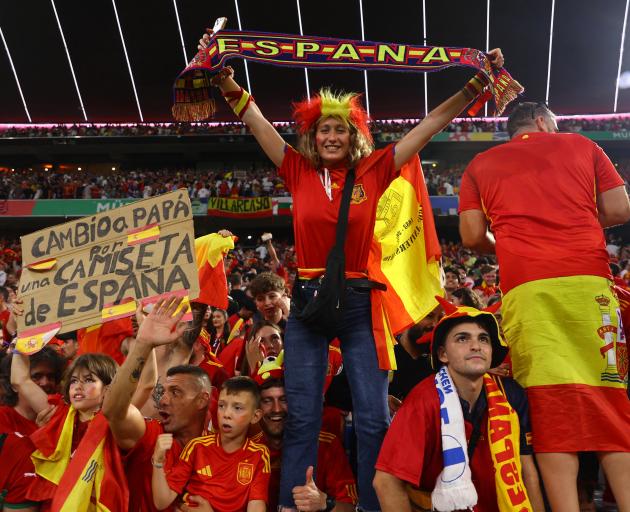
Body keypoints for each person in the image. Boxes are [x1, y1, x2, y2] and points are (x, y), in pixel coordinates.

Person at [200, 29, 505, 511]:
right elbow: (255, 120)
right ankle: (292, 504)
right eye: (324, 129)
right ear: (312, 135)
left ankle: (370, 505)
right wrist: (225, 82)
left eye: (341, 129)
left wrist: (474, 88)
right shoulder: (296, 168)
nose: (332, 136)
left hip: (361, 303)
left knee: (371, 417)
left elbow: (428, 126)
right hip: (306, 302)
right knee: (303, 415)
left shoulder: (376, 170)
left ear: (355, 136)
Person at [458, 101, 630, 511]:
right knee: (610, 403)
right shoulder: (583, 145)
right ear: (541, 120)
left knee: (550, 408)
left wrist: (511, 241)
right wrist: (578, 219)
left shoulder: (479, 164)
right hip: (588, 284)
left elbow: (470, 236)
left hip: (527, 288)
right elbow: (620, 209)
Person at [373, 301, 544, 512]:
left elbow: (526, 471)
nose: (475, 346)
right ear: (443, 354)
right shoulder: (423, 401)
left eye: (483, 339)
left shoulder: (511, 394)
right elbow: (386, 482)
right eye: (462, 338)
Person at [102, 296, 212, 512]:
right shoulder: (152, 436)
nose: (163, 399)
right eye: (165, 391)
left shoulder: (220, 434)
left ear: (203, 400)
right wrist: (143, 343)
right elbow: (114, 412)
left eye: (176, 393)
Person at [152, 376, 269, 511]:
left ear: (255, 416)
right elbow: (161, 502)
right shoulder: (197, 446)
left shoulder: (259, 454)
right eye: (221, 406)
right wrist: (158, 461)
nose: (226, 414)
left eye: (237, 408)